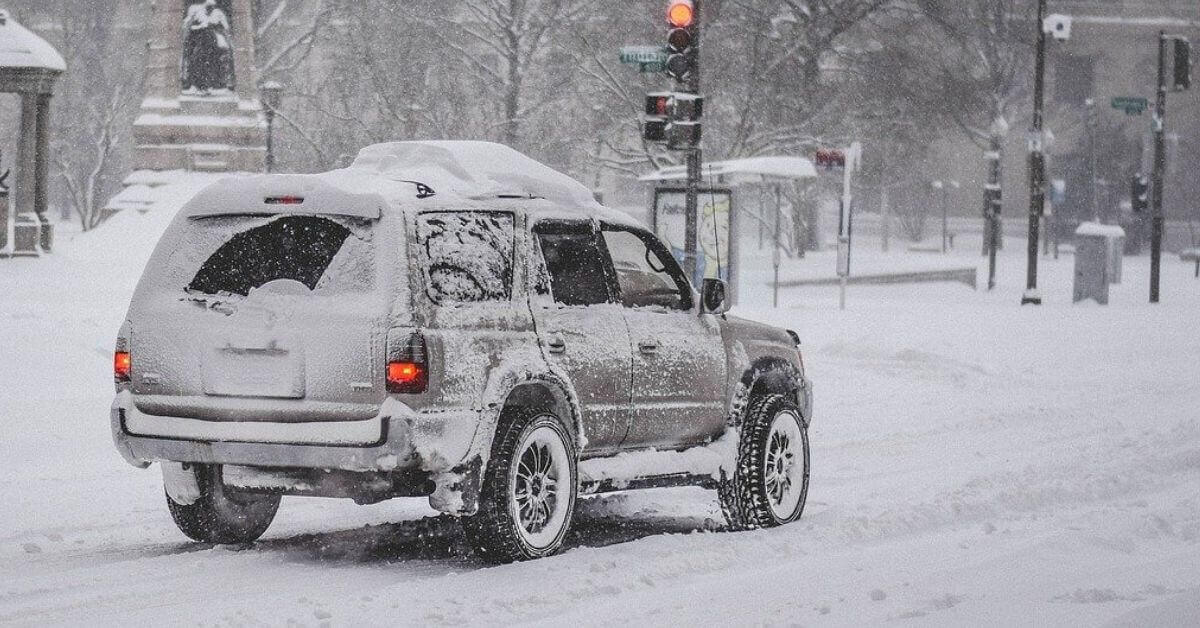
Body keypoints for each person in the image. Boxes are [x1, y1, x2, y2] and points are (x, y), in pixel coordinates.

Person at [182, 0, 234, 94]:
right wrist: (199, 26)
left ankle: (211, 85)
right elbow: (187, 25)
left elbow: (225, 28)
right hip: (200, 42)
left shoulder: (217, 13)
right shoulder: (196, 10)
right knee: (197, 62)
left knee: (211, 63)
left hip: (212, 43)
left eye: (211, 7)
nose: (210, 9)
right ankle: (198, 85)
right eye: (208, 7)